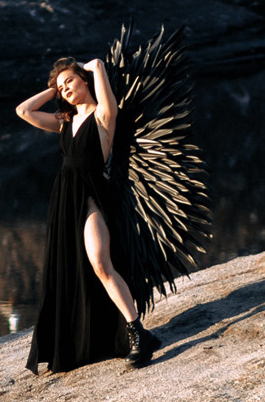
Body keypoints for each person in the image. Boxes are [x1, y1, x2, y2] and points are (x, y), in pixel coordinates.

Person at [15, 56, 160, 373]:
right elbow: (23, 111)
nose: (65, 89)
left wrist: (95, 68)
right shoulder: (64, 122)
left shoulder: (104, 117)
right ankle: (90, 338)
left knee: (99, 262)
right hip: (65, 201)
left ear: (84, 80)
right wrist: (53, 88)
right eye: (61, 86)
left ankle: (138, 332)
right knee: (71, 270)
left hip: (93, 196)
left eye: (70, 81)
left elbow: (101, 81)